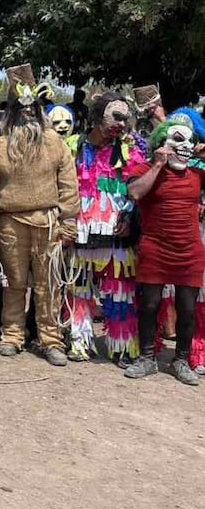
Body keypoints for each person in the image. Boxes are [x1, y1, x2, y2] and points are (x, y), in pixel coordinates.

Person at [0, 64, 80, 366]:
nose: (27, 115)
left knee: (49, 284)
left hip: (49, 221)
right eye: (20, 110)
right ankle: (12, 334)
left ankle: (51, 339)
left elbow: (68, 186)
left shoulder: (55, 144)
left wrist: (69, 223)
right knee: (13, 282)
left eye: (32, 109)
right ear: (9, 113)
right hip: (9, 222)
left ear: (39, 111)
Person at [64, 92, 145, 364]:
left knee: (120, 293)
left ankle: (122, 347)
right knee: (79, 291)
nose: (121, 124)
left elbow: (136, 187)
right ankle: (79, 342)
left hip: (116, 233)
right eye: (116, 117)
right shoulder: (73, 146)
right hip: (81, 231)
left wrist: (129, 217)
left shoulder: (129, 149)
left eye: (126, 118)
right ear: (98, 117)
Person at [124, 120, 202, 385]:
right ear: (160, 144)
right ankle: (147, 358)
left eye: (190, 141)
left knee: (187, 308)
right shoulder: (145, 169)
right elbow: (134, 192)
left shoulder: (197, 173)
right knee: (149, 304)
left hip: (189, 251)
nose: (186, 147)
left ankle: (180, 359)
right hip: (155, 248)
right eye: (178, 140)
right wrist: (157, 165)